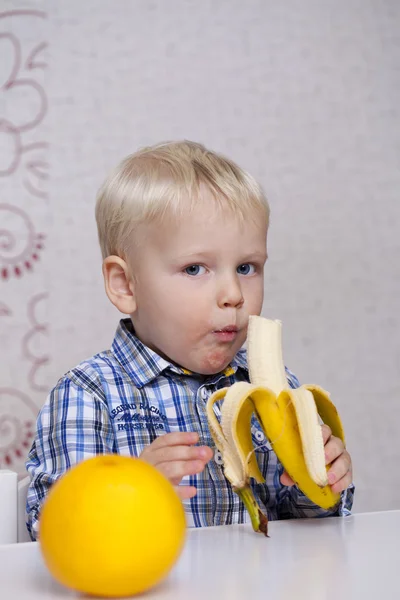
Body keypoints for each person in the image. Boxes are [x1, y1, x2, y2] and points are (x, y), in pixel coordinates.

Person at [26, 141, 354, 540]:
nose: (233, 293)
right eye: (195, 268)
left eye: (247, 267)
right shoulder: (88, 395)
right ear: (125, 284)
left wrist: (323, 480)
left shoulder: (271, 388)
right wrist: (131, 490)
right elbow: (54, 530)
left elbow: (311, 523)